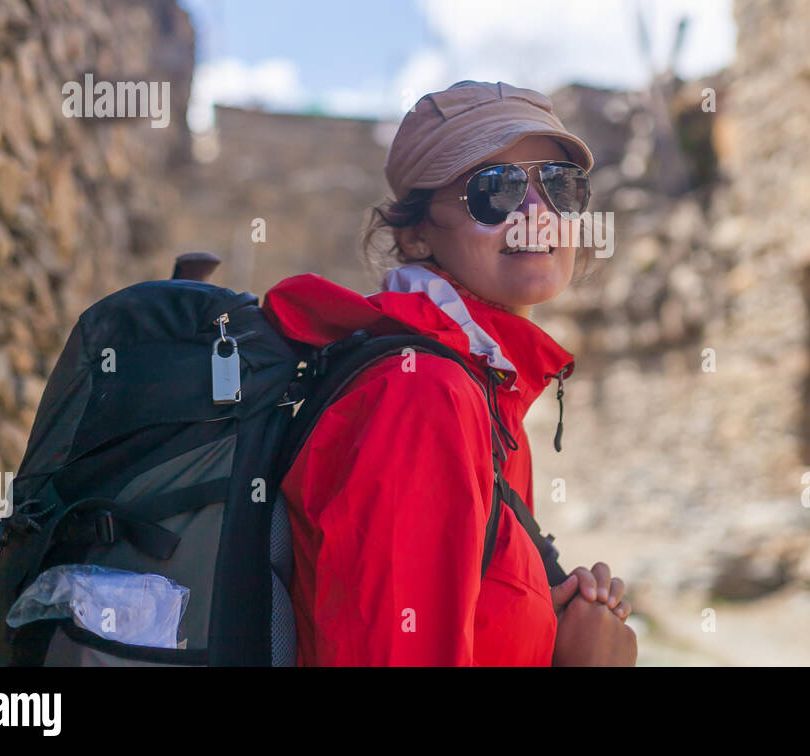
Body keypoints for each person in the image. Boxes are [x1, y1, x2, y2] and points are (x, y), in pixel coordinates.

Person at [262, 80, 638, 666]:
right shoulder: (423, 394)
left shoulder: (488, 387)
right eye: (496, 190)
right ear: (415, 233)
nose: (536, 213)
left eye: (560, 186)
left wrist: (553, 620)